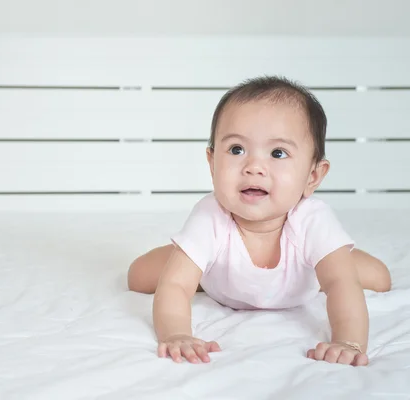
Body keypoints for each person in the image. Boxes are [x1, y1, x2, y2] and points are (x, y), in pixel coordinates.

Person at [127, 76, 391, 366]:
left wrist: (347, 341)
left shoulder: (313, 220)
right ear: (212, 162)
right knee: (139, 276)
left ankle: (335, 256)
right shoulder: (210, 215)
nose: (253, 167)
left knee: (374, 277)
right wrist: (177, 333)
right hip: (222, 278)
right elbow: (175, 288)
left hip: (304, 277)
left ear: (312, 176)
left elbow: (341, 285)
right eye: (237, 150)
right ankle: (201, 267)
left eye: (278, 153)